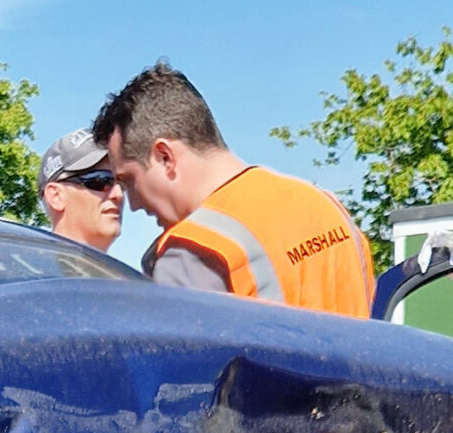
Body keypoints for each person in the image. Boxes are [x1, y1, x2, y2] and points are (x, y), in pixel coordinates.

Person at [91, 62, 373, 318]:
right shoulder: (328, 207)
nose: (135, 204)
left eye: (128, 181)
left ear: (164, 156)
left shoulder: (193, 251)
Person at [38, 129, 123, 254]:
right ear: (56, 196)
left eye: (123, 183)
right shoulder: (26, 270)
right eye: (102, 181)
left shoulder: (136, 272)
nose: (118, 194)